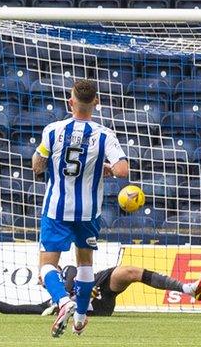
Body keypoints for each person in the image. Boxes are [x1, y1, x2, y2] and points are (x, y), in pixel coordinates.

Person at [31, 79, 129, 337]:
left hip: (56, 209)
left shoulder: (52, 130)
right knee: (85, 265)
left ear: (70, 102)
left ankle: (63, 301)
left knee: (46, 268)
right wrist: (103, 168)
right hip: (88, 212)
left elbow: (37, 166)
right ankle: (81, 317)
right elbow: (122, 170)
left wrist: (48, 161)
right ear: (96, 102)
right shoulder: (104, 134)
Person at [0, 265, 201, 316]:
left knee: (129, 272)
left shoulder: (68, 272)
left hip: (95, 284)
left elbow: (71, 277)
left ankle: (187, 288)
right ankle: (74, 306)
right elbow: (14, 310)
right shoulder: (49, 303)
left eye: (46, 276)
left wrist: (63, 299)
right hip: (99, 308)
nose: (42, 280)